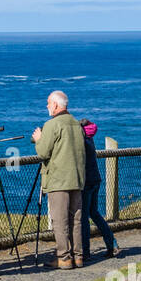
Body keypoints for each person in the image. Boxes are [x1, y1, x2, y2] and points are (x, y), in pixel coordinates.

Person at [32, 91, 89, 269]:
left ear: (56, 105)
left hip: (58, 179)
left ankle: (64, 257)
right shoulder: (76, 123)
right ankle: (78, 256)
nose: (47, 106)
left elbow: (43, 152)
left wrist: (38, 139)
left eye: (48, 103)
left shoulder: (52, 124)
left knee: (60, 220)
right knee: (76, 219)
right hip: (77, 178)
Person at [79, 119, 120, 258]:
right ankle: (111, 243)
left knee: (83, 217)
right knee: (94, 213)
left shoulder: (81, 139)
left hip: (85, 181)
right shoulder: (89, 137)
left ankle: (85, 251)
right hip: (95, 178)